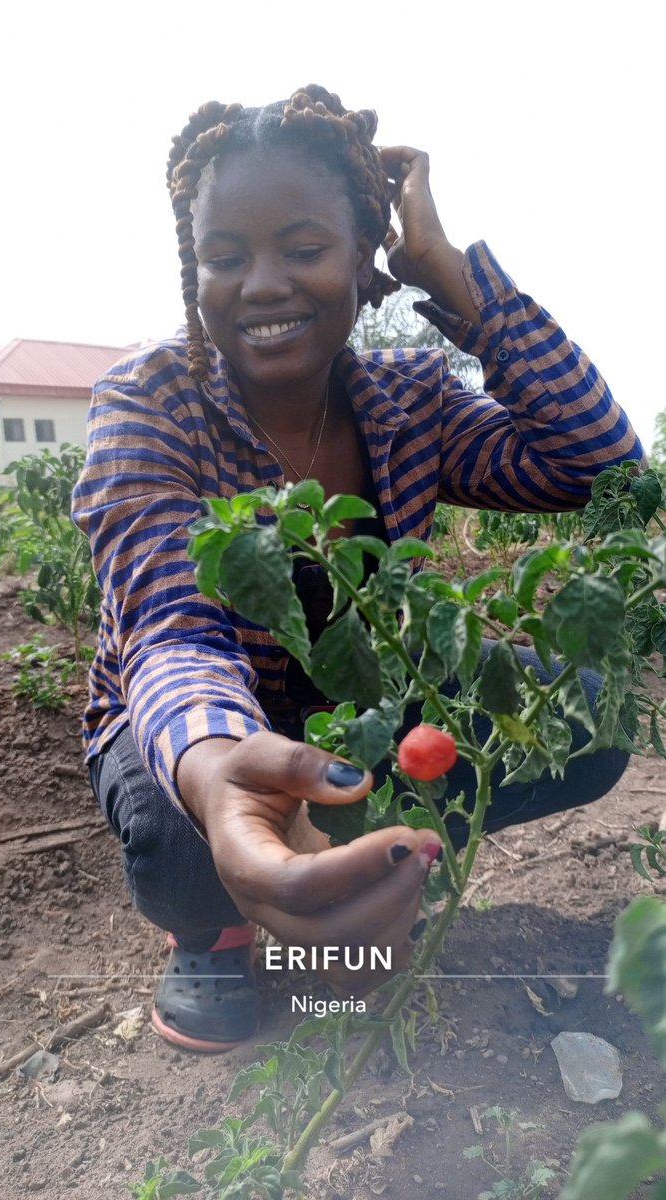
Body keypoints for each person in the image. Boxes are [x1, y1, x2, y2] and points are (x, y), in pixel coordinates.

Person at [72, 85, 645, 1054]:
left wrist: (452, 274)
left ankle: (379, 865)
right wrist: (219, 775)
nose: (261, 283)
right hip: (197, 709)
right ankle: (212, 937)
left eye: (304, 248)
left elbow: (600, 469)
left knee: (587, 719)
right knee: (180, 812)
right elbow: (173, 632)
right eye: (224, 255)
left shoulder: (407, 399)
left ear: (364, 258)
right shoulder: (151, 401)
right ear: (193, 268)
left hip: (364, 707)